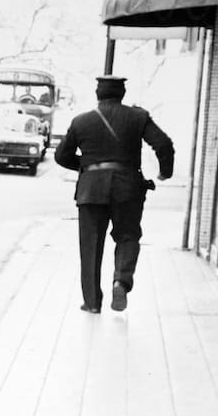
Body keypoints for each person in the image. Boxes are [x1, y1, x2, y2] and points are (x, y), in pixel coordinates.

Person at [54, 75, 173, 313]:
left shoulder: (81, 122)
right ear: (122, 94)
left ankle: (92, 303)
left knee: (90, 246)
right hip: (127, 187)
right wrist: (164, 173)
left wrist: (87, 166)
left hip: (91, 190)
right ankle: (121, 281)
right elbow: (163, 144)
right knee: (127, 236)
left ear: (98, 94)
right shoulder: (138, 117)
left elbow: (60, 156)